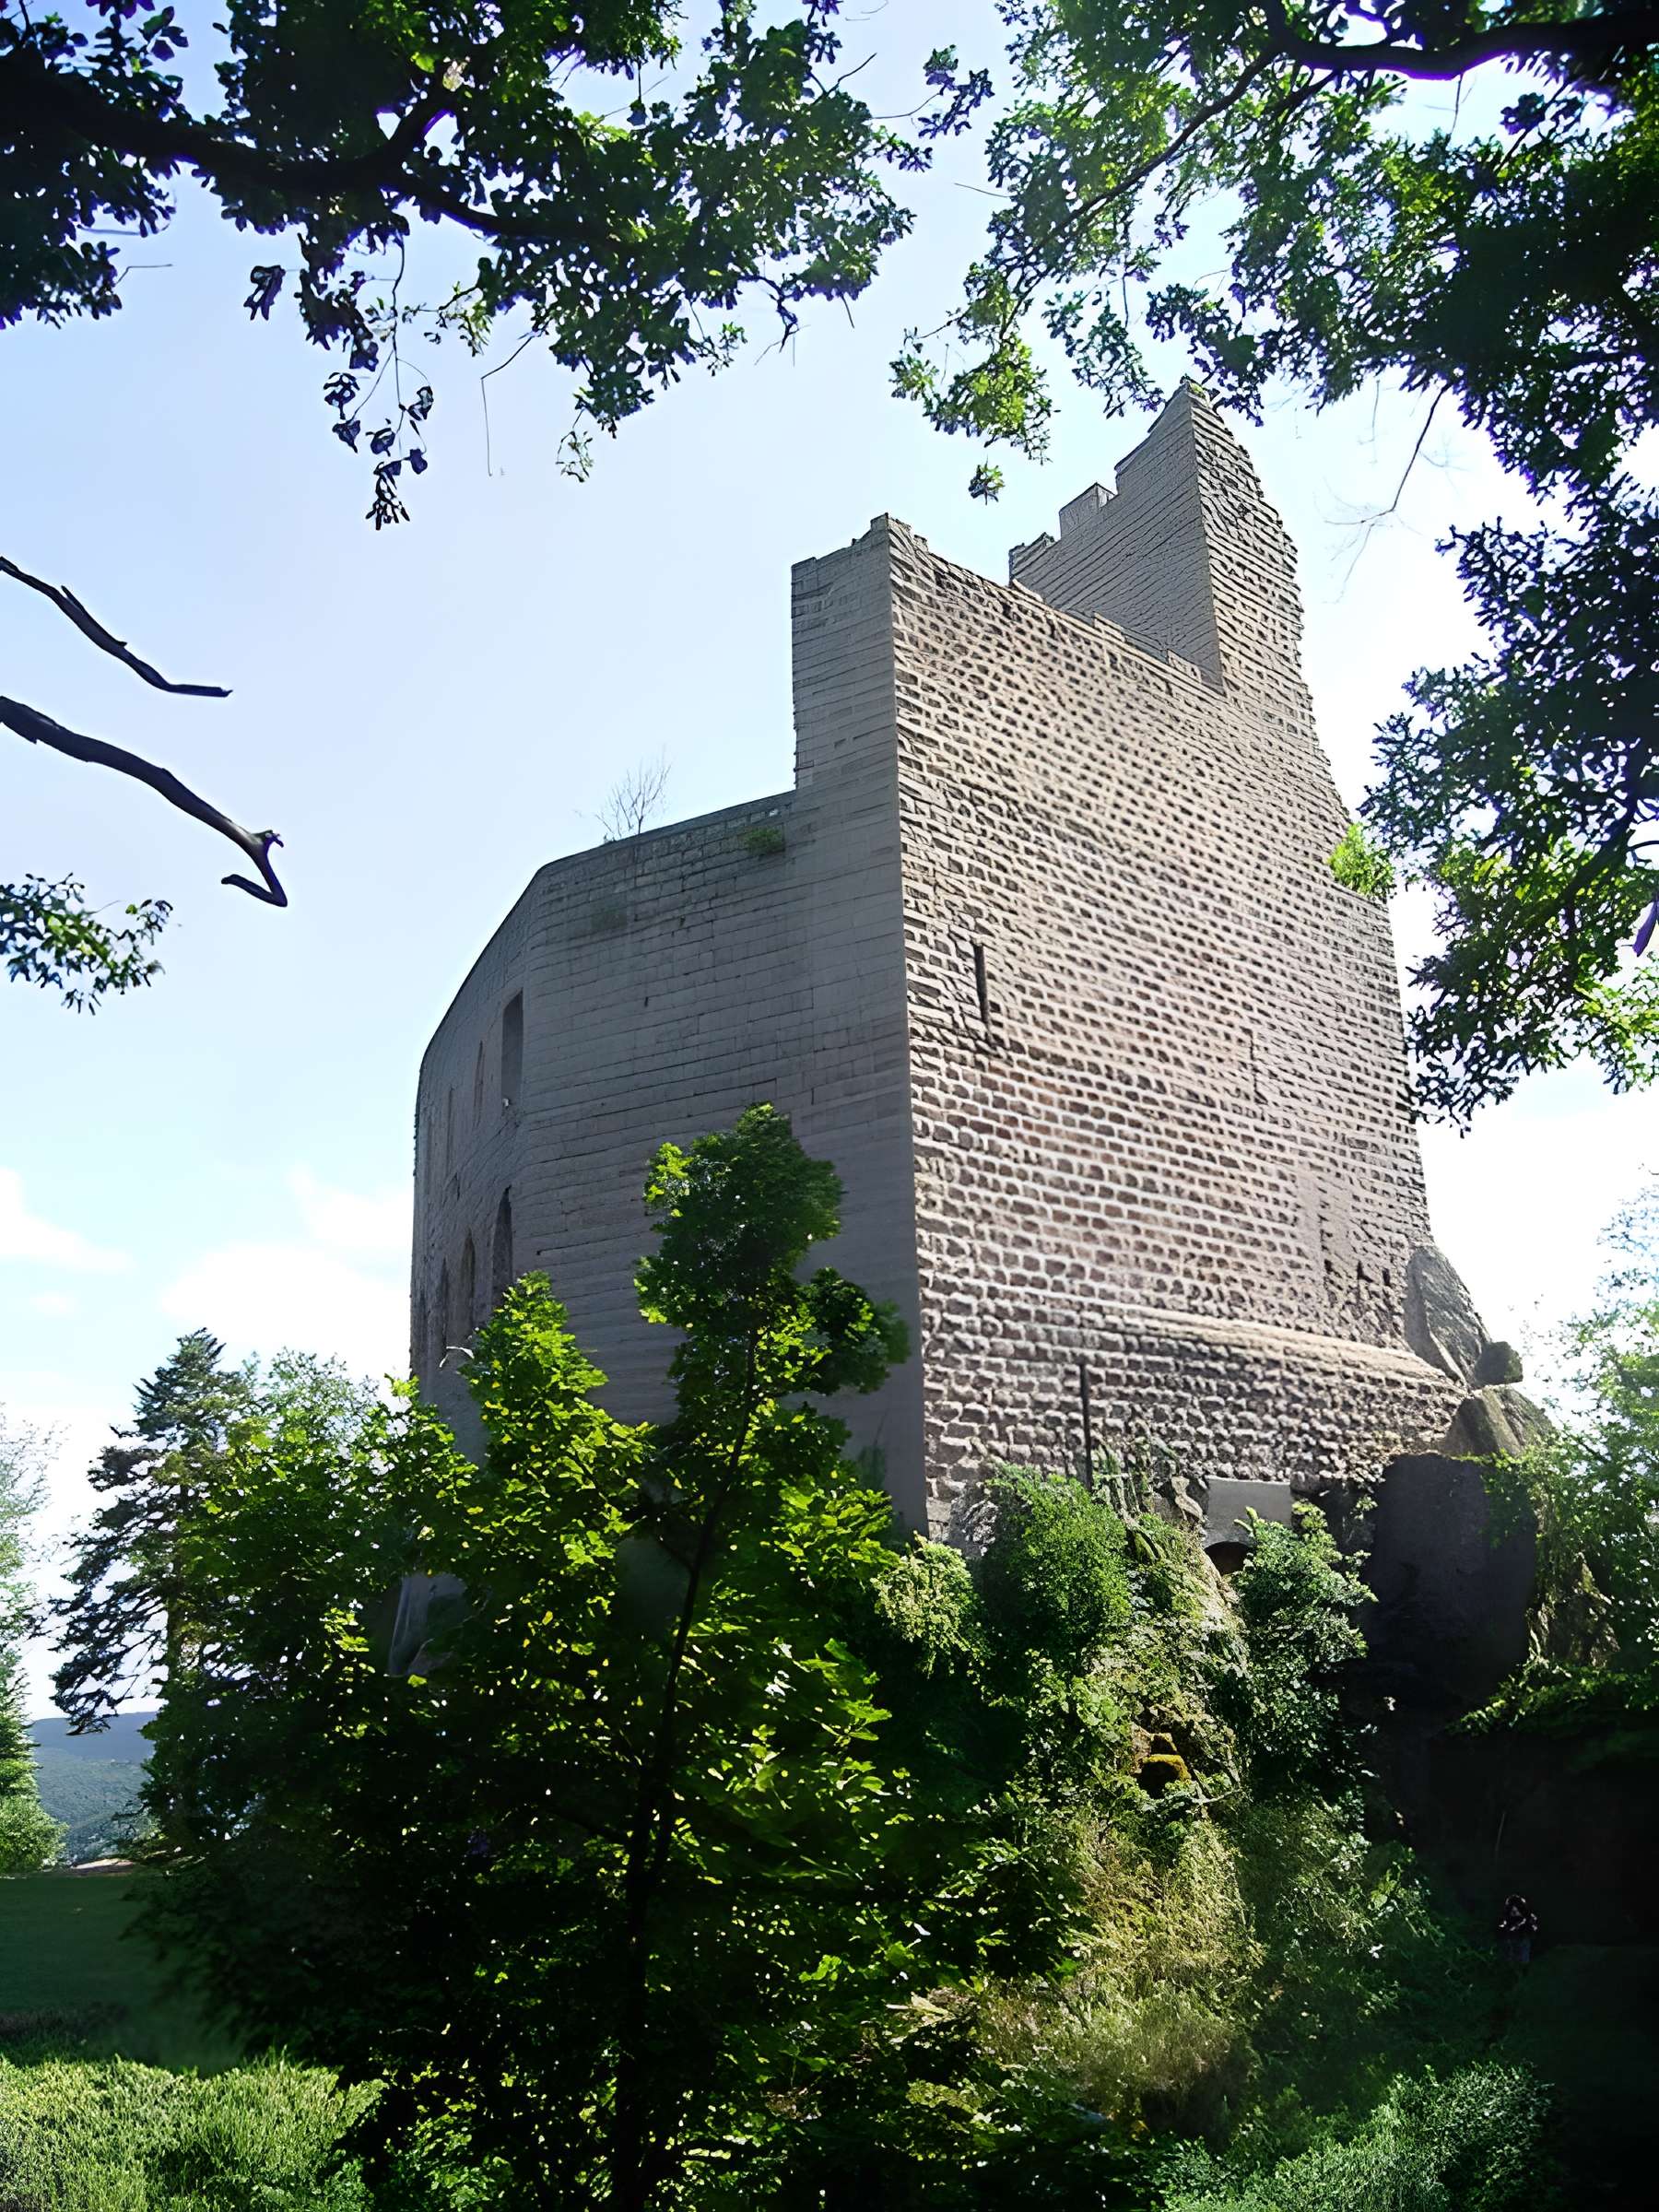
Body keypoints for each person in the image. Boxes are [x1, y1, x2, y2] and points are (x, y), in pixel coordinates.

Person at [1497, 1893, 1538, 1967]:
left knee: (1521, 1960)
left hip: (1522, 1940)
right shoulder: (1508, 1918)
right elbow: (1504, 1927)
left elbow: (1533, 1928)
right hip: (1511, 1942)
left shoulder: (1527, 1917)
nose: (1514, 1910)